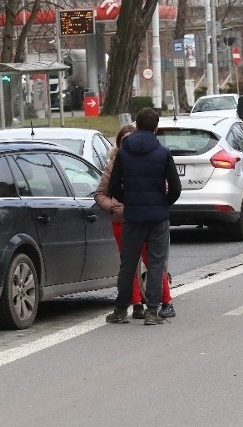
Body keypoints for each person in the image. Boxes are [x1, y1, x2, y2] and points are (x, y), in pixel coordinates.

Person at [105, 108, 181, 326]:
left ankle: (120, 310)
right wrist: (163, 203)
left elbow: (113, 186)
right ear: (156, 128)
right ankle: (152, 312)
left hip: (133, 216)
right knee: (156, 264)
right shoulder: (163, 153)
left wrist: (128, 200)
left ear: (136, 126)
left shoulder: (124, 152)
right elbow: (175, 187)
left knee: (128, 263)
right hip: (157, 217)